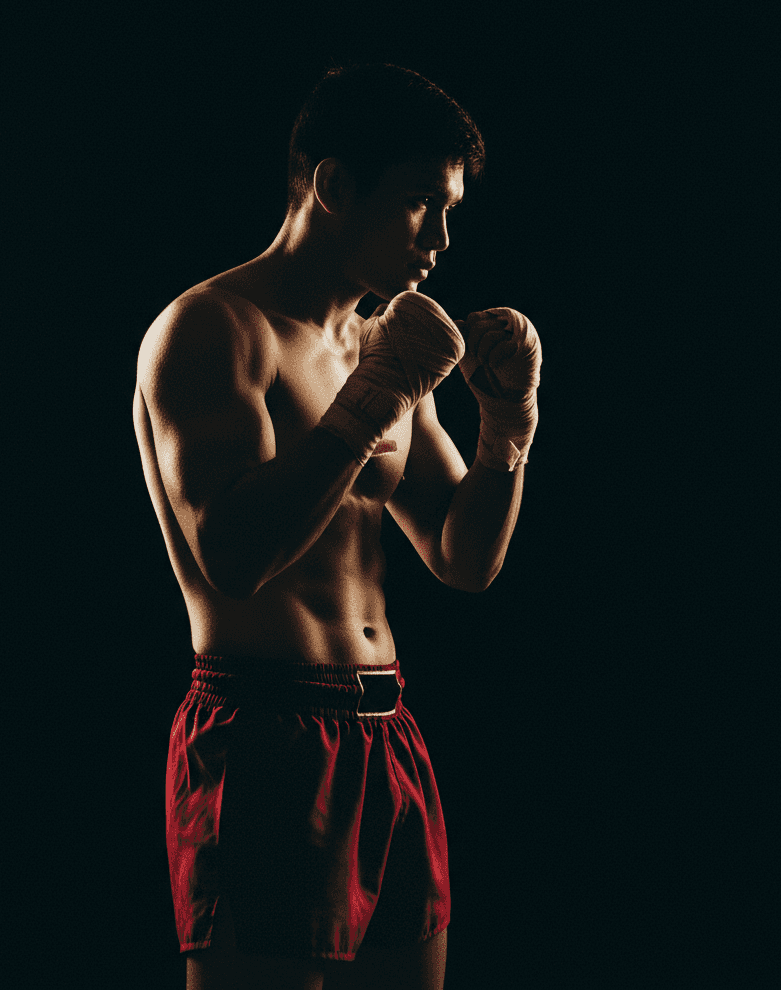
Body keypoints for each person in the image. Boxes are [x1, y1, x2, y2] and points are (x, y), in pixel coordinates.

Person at [133, 62, 541, 990]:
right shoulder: (214, 329)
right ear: (331, 187)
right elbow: (234, 558)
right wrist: (376, 401)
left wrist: (507, 434)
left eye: (450, 210)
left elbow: (463, 558)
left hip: (388, 729)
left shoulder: (379, 345)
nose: (440, 238)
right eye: (417, 205)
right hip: (266, 729)